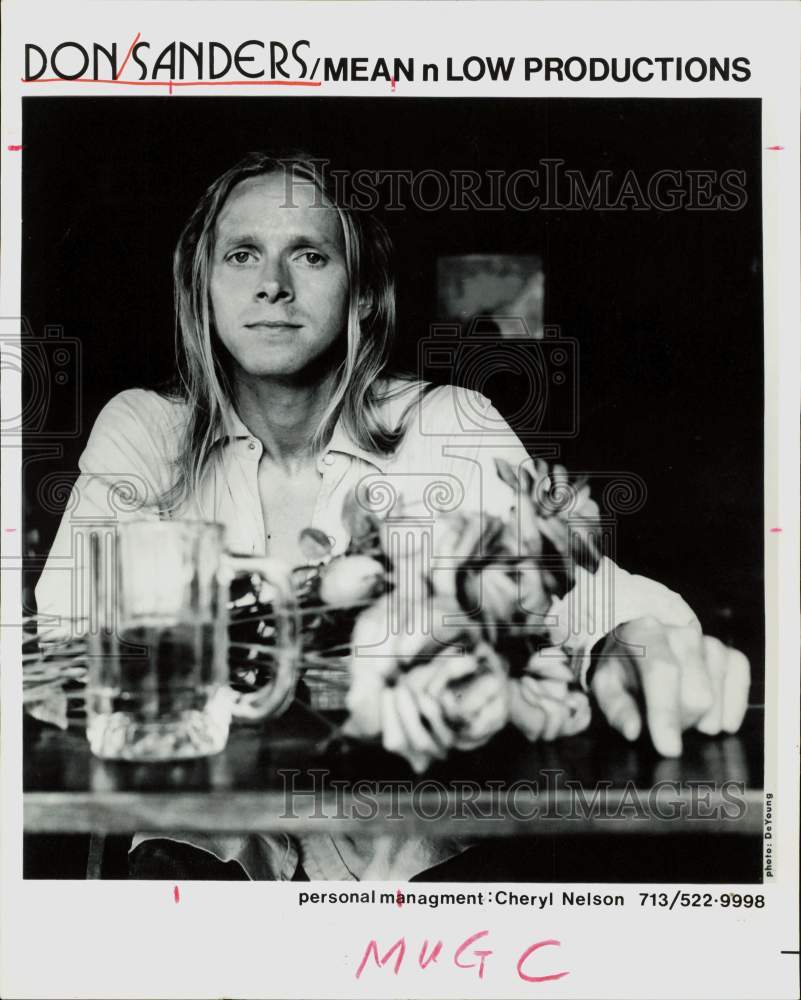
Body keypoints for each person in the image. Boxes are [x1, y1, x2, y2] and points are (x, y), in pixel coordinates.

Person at [35, 151, 750, 880]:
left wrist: (622, 644)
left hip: (415, 881)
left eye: (308, 255)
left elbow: (589, 599)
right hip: (197, 872)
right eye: (241, 254)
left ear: (362, 293)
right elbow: (68, 622)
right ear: (202, 288)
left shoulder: (447, 423)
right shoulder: (146, 431)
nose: (272, 286)